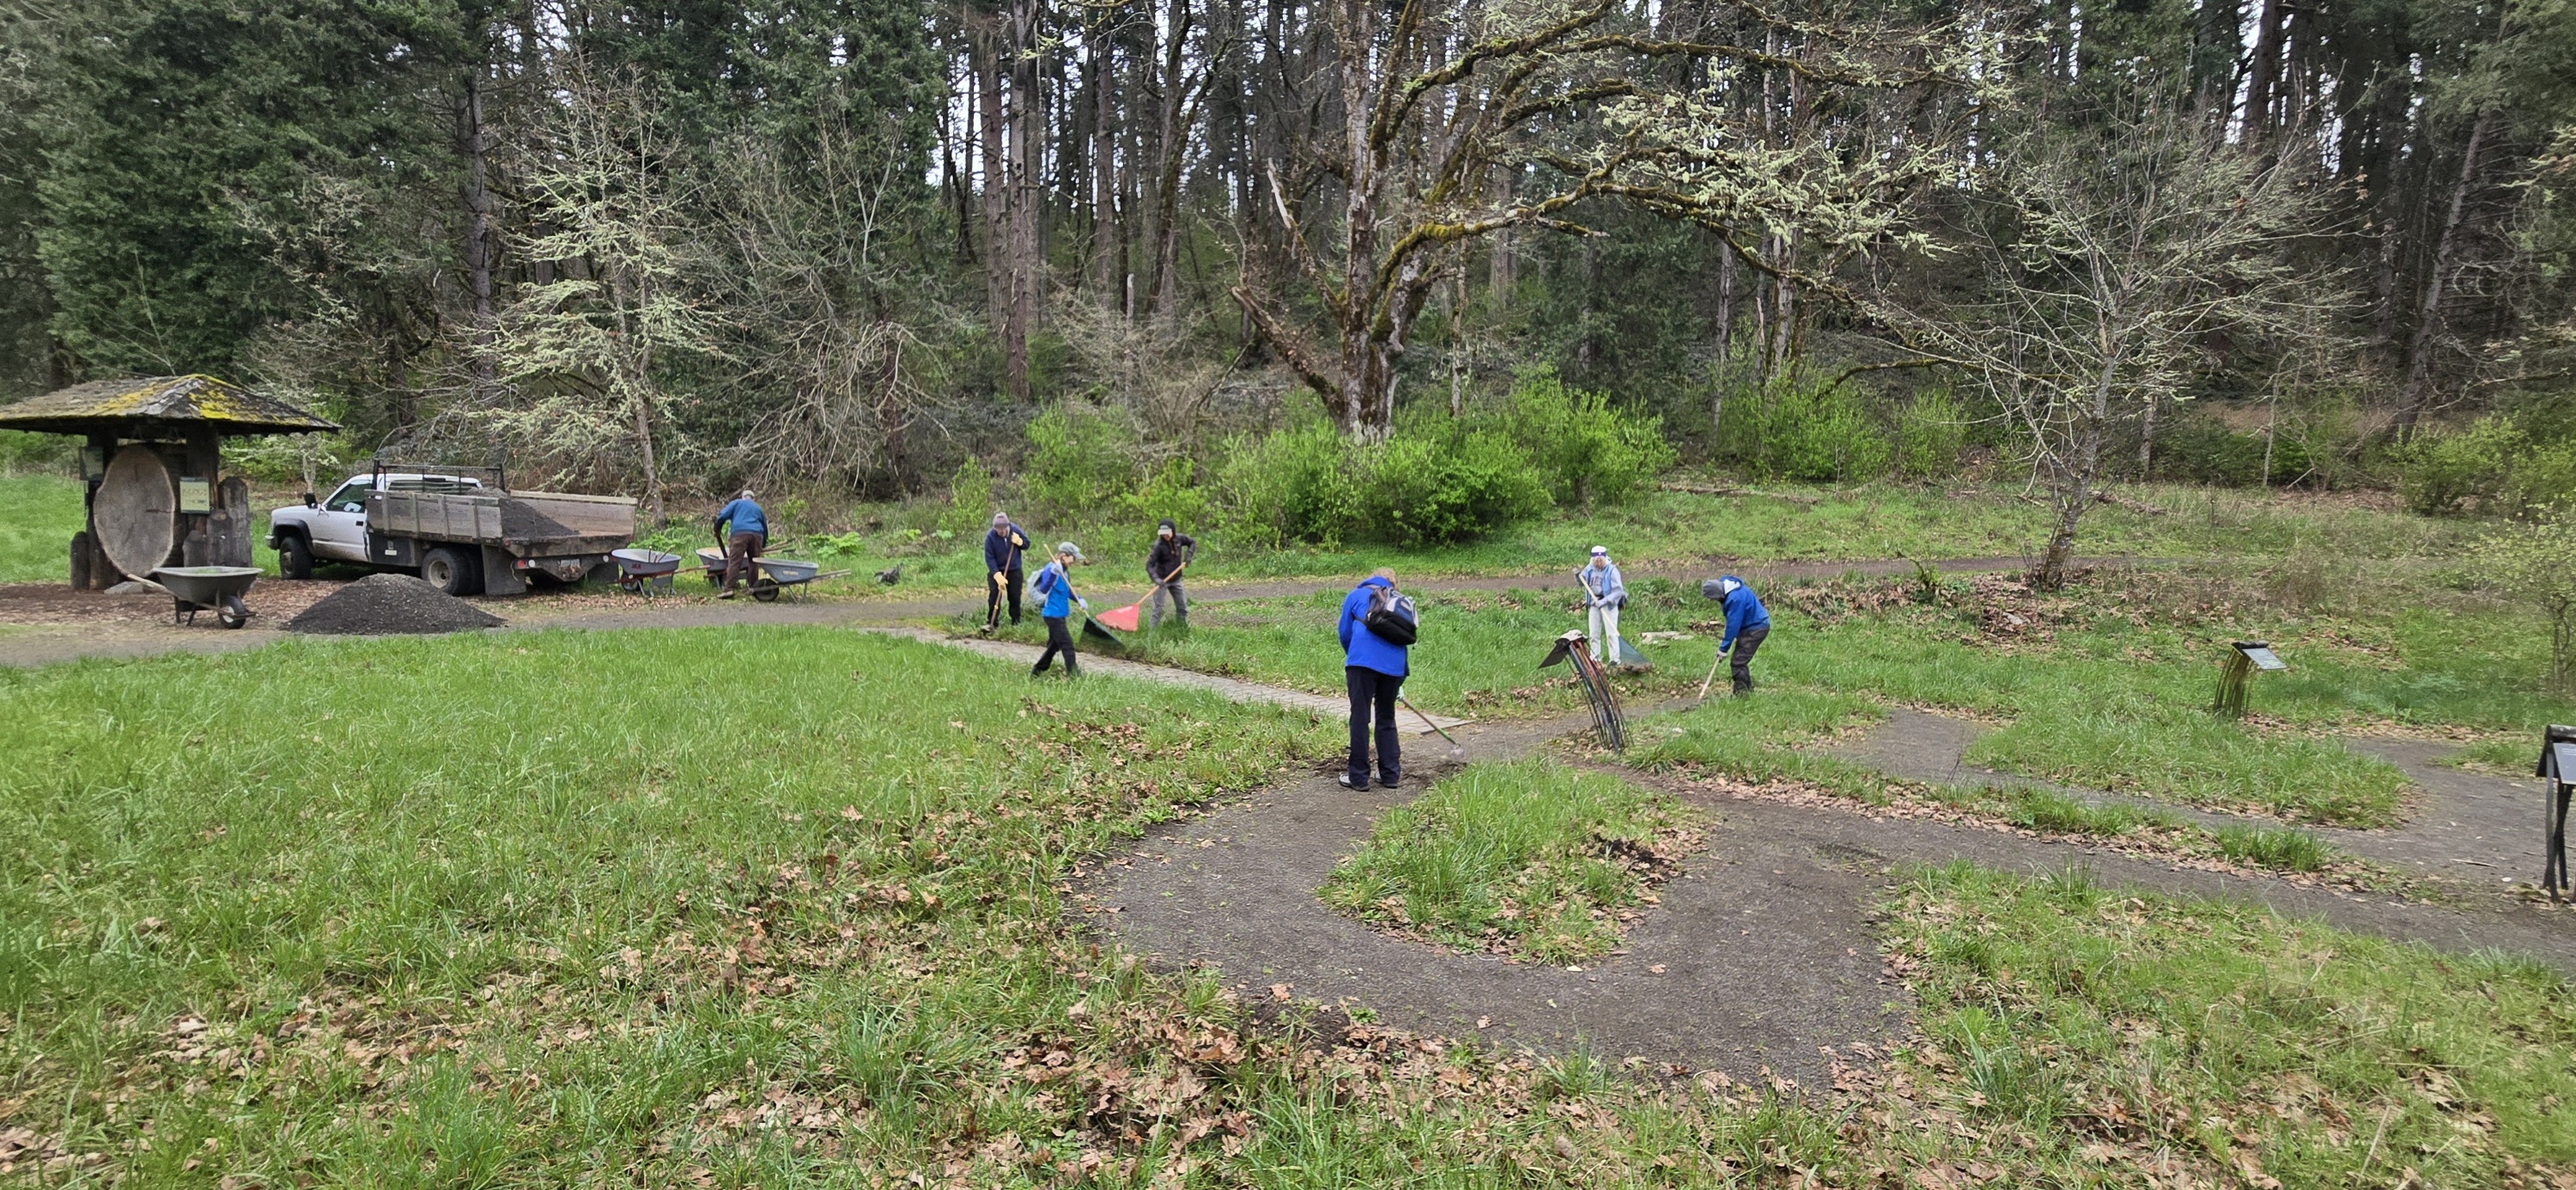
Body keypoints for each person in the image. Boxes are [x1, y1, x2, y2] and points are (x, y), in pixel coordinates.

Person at [1337, 568, 1410, 790]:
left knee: (1360, 717)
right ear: (1393, 584)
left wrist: (1354, 656)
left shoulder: (1356, 595)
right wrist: (1400, 676)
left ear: (1371, 577)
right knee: (1386, 717)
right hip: (1395, 667)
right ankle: (1390, 775)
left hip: (1362, 663)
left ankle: (1358, 778)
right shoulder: (1400, 601)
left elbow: (1345, 633)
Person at [1703, 574, 1771, 695]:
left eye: (1713, 598)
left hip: (1756, 628)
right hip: (1750, 625)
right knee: (1739, 660)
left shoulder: (1735, 599)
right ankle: (1747, 691)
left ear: (1718, 593)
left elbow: (1733, 625)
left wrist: (1723, 648)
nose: (1714, 601)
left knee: (1738, 662)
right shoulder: (1729, 587)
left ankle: (1742, 694)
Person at [1030, 542, 1090, 677]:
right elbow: (1044, 589)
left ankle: (1037, 670)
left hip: (1061, 613)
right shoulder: (1052, 568)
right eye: (1073, 557)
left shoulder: (1065, 571)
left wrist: (1079, 599)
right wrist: (1053, 573)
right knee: (1067, 645)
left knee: (1054, 646)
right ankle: (1074, 676)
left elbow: (1067, 590)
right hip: (1052, 614)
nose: (1074, 561)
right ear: (1064, 556)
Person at [713, 489, 767, 598]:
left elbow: (722, 515)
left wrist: (717, 528)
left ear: (742, 497)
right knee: (754, 562)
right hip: (757, 535)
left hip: (739, 534)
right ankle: (753, 588)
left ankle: (729, 589)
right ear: (753, 499)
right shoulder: (758, 508)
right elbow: (765, 527)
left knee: (734, 561)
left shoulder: (737, 503)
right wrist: (763, 544)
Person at [1577, 545, 1625, 664]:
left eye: (1600, 561)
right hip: (1594, 604)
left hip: (1609, 605)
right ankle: (1595, 658)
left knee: (1611, 634)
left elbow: (1618, 591)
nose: (1598, 563)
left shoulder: (1612, 570)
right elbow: (1582, 582)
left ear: (1604, 559)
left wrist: (1604, 601)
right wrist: (1577, 576)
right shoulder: (1589, 569)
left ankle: (1615, 659)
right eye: (1596, 561)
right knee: (1594, 633)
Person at [1145, 519, 1195, 628]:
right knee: (1158, 609)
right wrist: (1156, 579)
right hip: (1162, 581)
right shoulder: (1158, 546)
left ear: (1172, 531)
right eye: (1163, 534)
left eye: (1167, 533)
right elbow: (1149, 565)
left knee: (1182, 607)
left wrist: (1189, 555)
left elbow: (1192, 542)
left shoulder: (1179, 539)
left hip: (1176, 579)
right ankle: (1153, 633)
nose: (1165, 536)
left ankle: (1182, 630)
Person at [984, 512, 1031, 628]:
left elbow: (1027, 544)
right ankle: (992, 622)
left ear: (1007, 526)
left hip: (1014, 570)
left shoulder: (1015, 530)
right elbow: (989, 558)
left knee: (1015, 596)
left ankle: (1016, 622)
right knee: (994, 596)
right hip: (997, 570)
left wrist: (1020, 542)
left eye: (1003, 529)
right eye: (998, 529)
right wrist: (996, 574)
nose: (1001, 531)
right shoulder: (990, 537)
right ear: (994, 528)